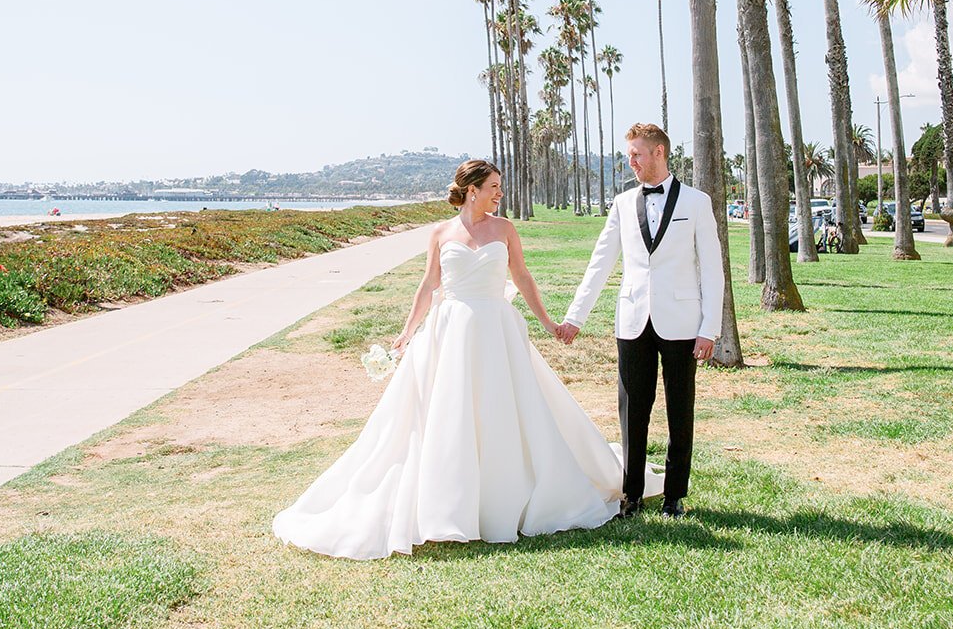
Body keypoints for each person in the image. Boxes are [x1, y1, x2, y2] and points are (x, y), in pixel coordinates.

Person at [272, 159, 656, 560]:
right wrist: (406, 333)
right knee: (448, 414)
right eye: (493, 186)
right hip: (449, 331)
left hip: (496, 329)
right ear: (472, 189)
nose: (499, 193)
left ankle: (505, 495)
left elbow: (522, 277)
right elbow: (428, 285)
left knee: (501, 410)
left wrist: (547, 323)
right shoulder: (440, 232)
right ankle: (449, 505)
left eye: (499, 186)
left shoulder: (505, 229)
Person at [556, 123, 722, 519]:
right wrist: (575, 317)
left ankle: (674, 496)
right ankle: (630, 495)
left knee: (680, 408)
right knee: (632, 409)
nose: (630, 161)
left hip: (683, 322)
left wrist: (708, 328)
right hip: (632, 320)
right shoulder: (622, 203)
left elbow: (713, 270)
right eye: (629, 155)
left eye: (637, 154)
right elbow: (601, 262)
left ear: (659, 153)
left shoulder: (697, 203)